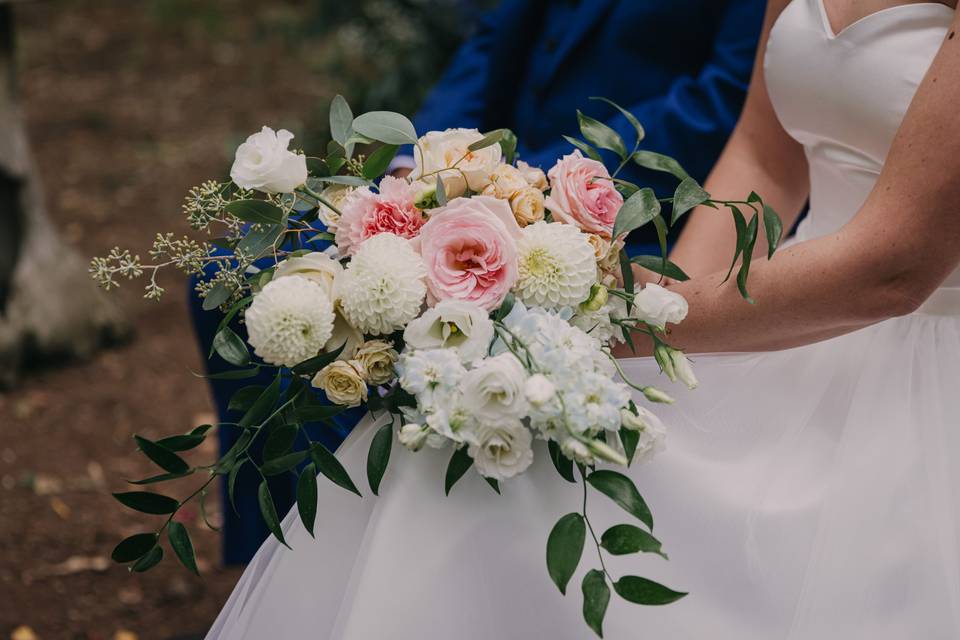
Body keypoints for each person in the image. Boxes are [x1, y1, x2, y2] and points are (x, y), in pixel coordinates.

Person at [204, 0, 960, 638]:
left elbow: (893, 271)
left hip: (914, 359)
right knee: (480, 439)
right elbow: (766, 155)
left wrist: (627, 316)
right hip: (764, 307)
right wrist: (666, 327)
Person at [192, 0, 765, 566]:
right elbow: (490, 42)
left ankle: (365, 555)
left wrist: (523, 185)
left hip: (626, 212)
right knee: (234, 279)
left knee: (386, 333)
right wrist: (420, 166)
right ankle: (275, 566)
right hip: (473, 169)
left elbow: (720, 97)